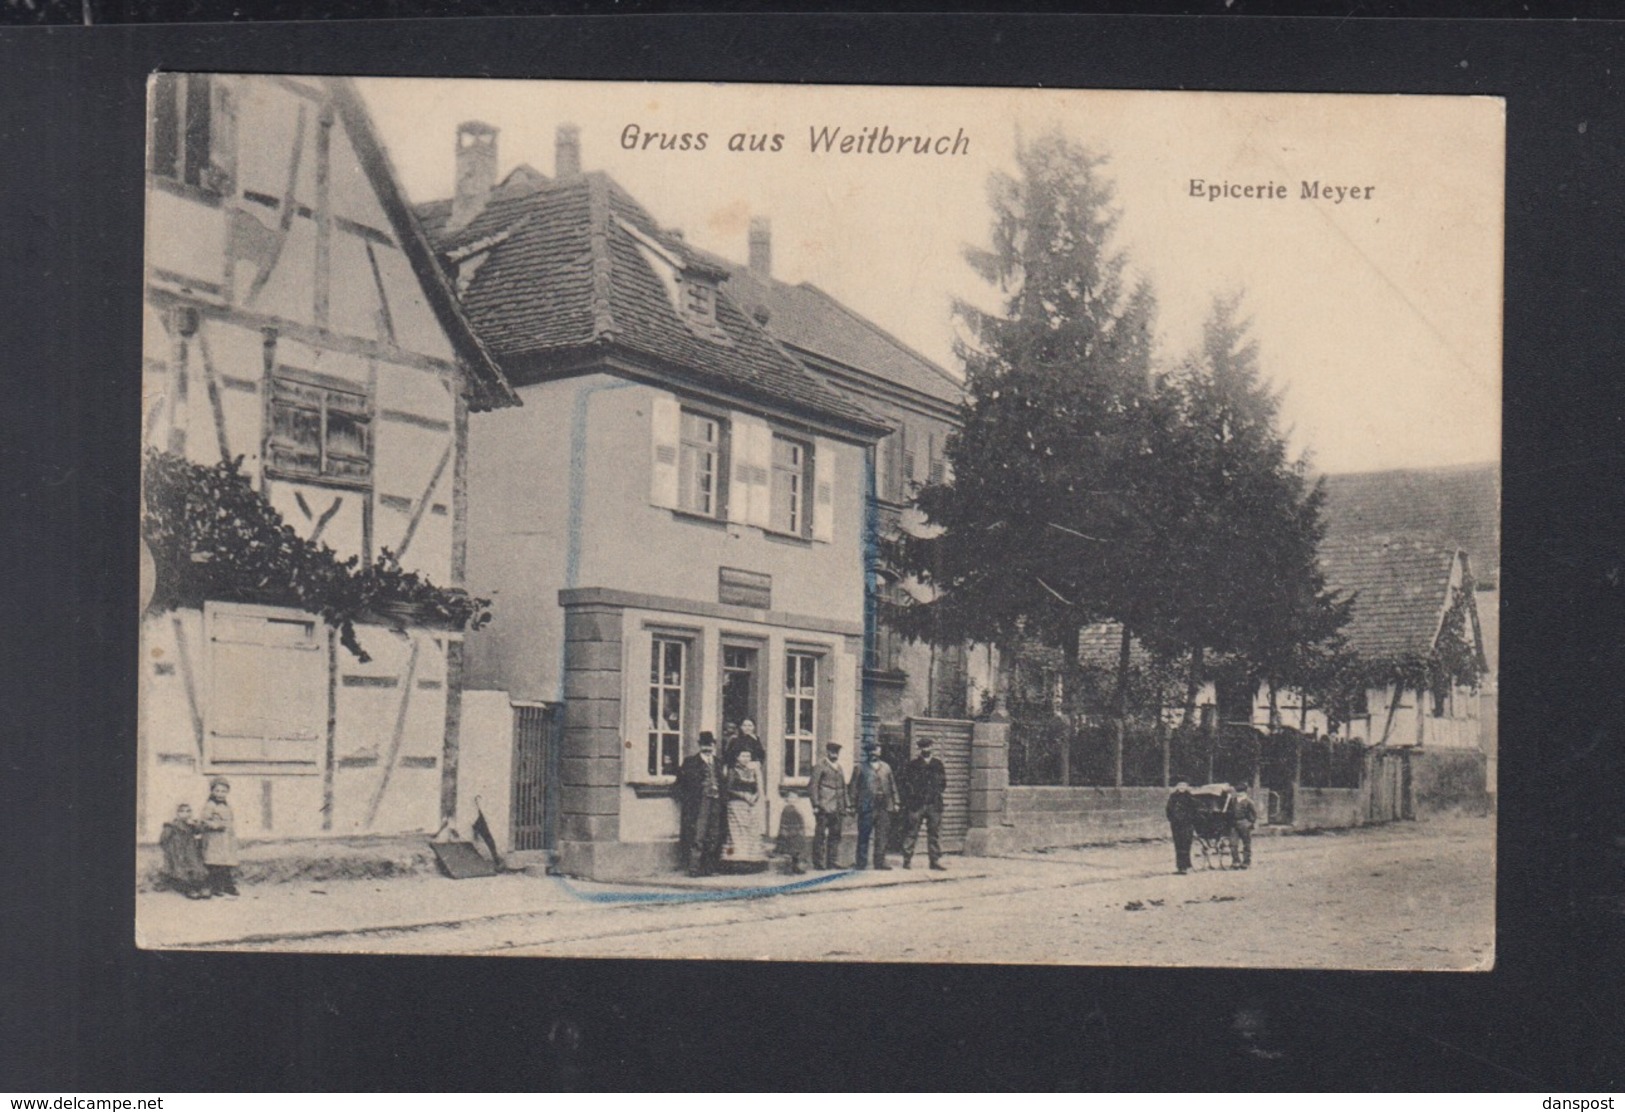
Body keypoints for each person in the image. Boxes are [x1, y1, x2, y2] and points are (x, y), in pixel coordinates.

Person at [676, 732, 725, 876]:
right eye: (704, 745)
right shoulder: (690, 762)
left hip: (716, 802)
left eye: (710, 745)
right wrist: (688, 801)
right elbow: (679, 784)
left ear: (713, 745)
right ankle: (694, 868)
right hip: (700, 803)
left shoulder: (718, 762)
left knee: (714, 835)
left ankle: (709, 868)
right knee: (698, 835)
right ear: (699, 745)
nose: (707, 748)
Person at [849, 744, 902, 870]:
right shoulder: (860, 768)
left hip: (884, 806)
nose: (875, 754)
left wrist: (896, 802)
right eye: (873, 751)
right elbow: (853, 788)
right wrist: (851, 805)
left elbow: (892, 785)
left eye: (878, 751)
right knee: (864, 835)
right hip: (866, 807)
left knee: (882, 836)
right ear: (868, 753)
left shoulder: (886, 768)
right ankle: (861, 862)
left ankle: (880, 862)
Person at [901, 738, 948, 871]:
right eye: (923, 747)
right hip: (917, 805)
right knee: (911, 832)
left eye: (928, 746)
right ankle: (907, 860)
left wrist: (934, 793)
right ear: (919, 749)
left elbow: (943, 783)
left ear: (932, 747)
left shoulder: (938, 764)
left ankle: (934, 861)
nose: (926, 749)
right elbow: (906, 783)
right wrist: (914, 796)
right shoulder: (913, 765)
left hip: (934, 804)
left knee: (934, 833)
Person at [722, 747, 769, 871]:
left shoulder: (752, 770)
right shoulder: (732, 770)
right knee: (737, 832)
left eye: (748, 756)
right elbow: (728, 788)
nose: (746, 759)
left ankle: (749, 862)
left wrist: (755, 796)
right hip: (736, 804)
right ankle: (735, 862)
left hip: (750, 805)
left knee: (750, 831)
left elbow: (757, 788)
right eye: (743, 756)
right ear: (737, 757)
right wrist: (743, 796)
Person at [807, 741, 848, 869]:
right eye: (832, 752)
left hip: (838, 807)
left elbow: (843, 787)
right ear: (827, 752)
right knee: (820, 836)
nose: (834, 755)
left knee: (835, 835)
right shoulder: (820, 766)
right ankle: (818, 863)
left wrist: (846, 804)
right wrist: (815, 804)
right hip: (824, 806)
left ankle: (832, 862)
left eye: (836, 752)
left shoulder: (839, 768)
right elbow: (813, 786)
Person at [198, 777, 240, 898]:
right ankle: (216, 887)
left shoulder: (227, 805)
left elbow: (230, 819)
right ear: (212, 791)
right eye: (217, 791)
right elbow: (204, 820)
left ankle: (228, 886)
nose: (220, 794)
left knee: (226, 863)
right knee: (215, 863)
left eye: (223, 791)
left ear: (227, 792)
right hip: (214, 838)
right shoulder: (210, 805)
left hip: (226, 838)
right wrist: (215, 825)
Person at [159, 802, 208, 899]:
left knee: (196, 866)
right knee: (181, 869)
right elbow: (163, 839)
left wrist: (195, 825)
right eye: (182, 811)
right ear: (177, 813)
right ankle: (188, 888)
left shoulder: (192, 824)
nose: (186, 814)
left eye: (188, 811)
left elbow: (200, 832)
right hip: (177, 851)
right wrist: (170, 850)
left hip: (191, 850)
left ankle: (199, 886)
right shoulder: (171, 825)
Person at [1166, 781, 1196, 875]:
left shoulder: (1190, 797)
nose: (1182, 787)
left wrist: (1188, 820)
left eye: (1184, 785)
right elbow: (1168, 809)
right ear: (1177, 787)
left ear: (1187, 787)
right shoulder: (1173, 797)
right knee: (1178, 845)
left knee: (1186, 845)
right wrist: (1172, 819)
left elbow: (1194, 811)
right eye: (1180, 785)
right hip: (1176, 825)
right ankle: (1180, 867)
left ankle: (1187, 866)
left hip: (1187, 825)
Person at [1231, 785, 1257, 869]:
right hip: (1234, 823)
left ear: (1244, 792)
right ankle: (1236, 861)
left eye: (1240, 792)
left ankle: (1246, 862)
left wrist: (1250, 823)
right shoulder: (1233, 800)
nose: (1238, 794)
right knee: (1233, 843)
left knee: (1246, 843)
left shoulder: (1248, 802)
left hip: (1244, 823)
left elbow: (1254, 814)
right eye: (1237, 792)